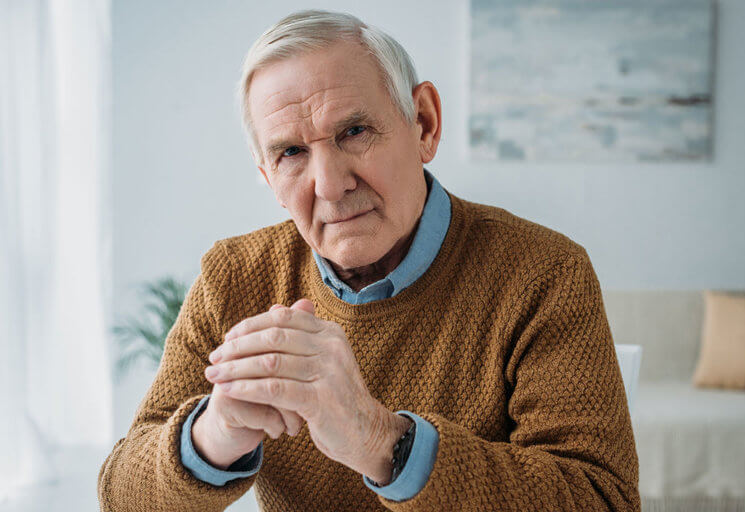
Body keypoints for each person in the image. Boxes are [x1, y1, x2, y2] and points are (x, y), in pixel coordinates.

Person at [98, 9, 640, 512]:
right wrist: (214, 434)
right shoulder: (234, 276)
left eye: (354, 132)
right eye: (291, 153)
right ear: (268, 178)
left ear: (423, 123)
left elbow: (602, 498)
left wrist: (382, 441)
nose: (330, 186)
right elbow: (119, 495)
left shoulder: (544, 273)